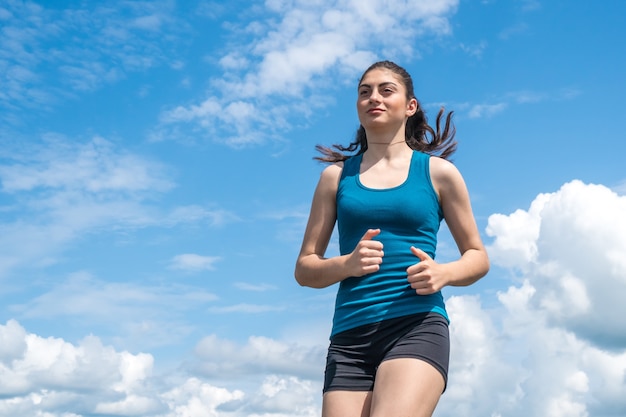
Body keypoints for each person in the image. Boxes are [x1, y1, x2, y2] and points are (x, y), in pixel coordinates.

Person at [294, 60, 490, 417]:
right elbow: (305, 269)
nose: (374, 98)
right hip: (350, 336)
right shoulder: (335, 178)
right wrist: (347, 264)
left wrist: (444, 273)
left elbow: (477, 256)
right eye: (364, 91)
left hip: (415, 323)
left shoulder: (439, 173)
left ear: (410, 106)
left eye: (386, 90)